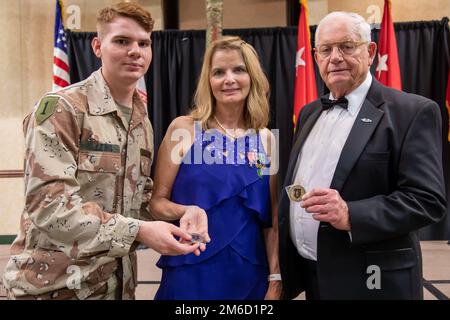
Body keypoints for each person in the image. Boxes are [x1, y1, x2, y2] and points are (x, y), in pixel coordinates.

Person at [2, 2, 207, 300]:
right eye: (122, 41)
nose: (135, 51)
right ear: (97, 46)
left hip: (116, 288)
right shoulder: (62, 109)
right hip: (54, 289)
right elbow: (50, 207)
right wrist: (138, 231)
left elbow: (140, 199)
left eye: (143, 43)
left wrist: (184, 212)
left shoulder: (141, 121)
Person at [278, 11, 446, 300]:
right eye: (326, 50)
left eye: (347, 46)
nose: (336, 57)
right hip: (314, 279)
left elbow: (427, 200)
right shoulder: (308, 113)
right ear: (316, 57)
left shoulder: (413, 112)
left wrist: (350, 214)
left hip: (375, 282)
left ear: (370, 52)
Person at [150, 36, 282, 300]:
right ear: (208, 81)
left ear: (252, 77)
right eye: (219, 72)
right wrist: (186, 210)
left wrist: (275, 278)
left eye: (238, 70)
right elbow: (156, 203)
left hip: (250, 276)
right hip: (191, 270)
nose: (229, 79)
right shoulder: (183, 129)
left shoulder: (266, 139)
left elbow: (272, 220)